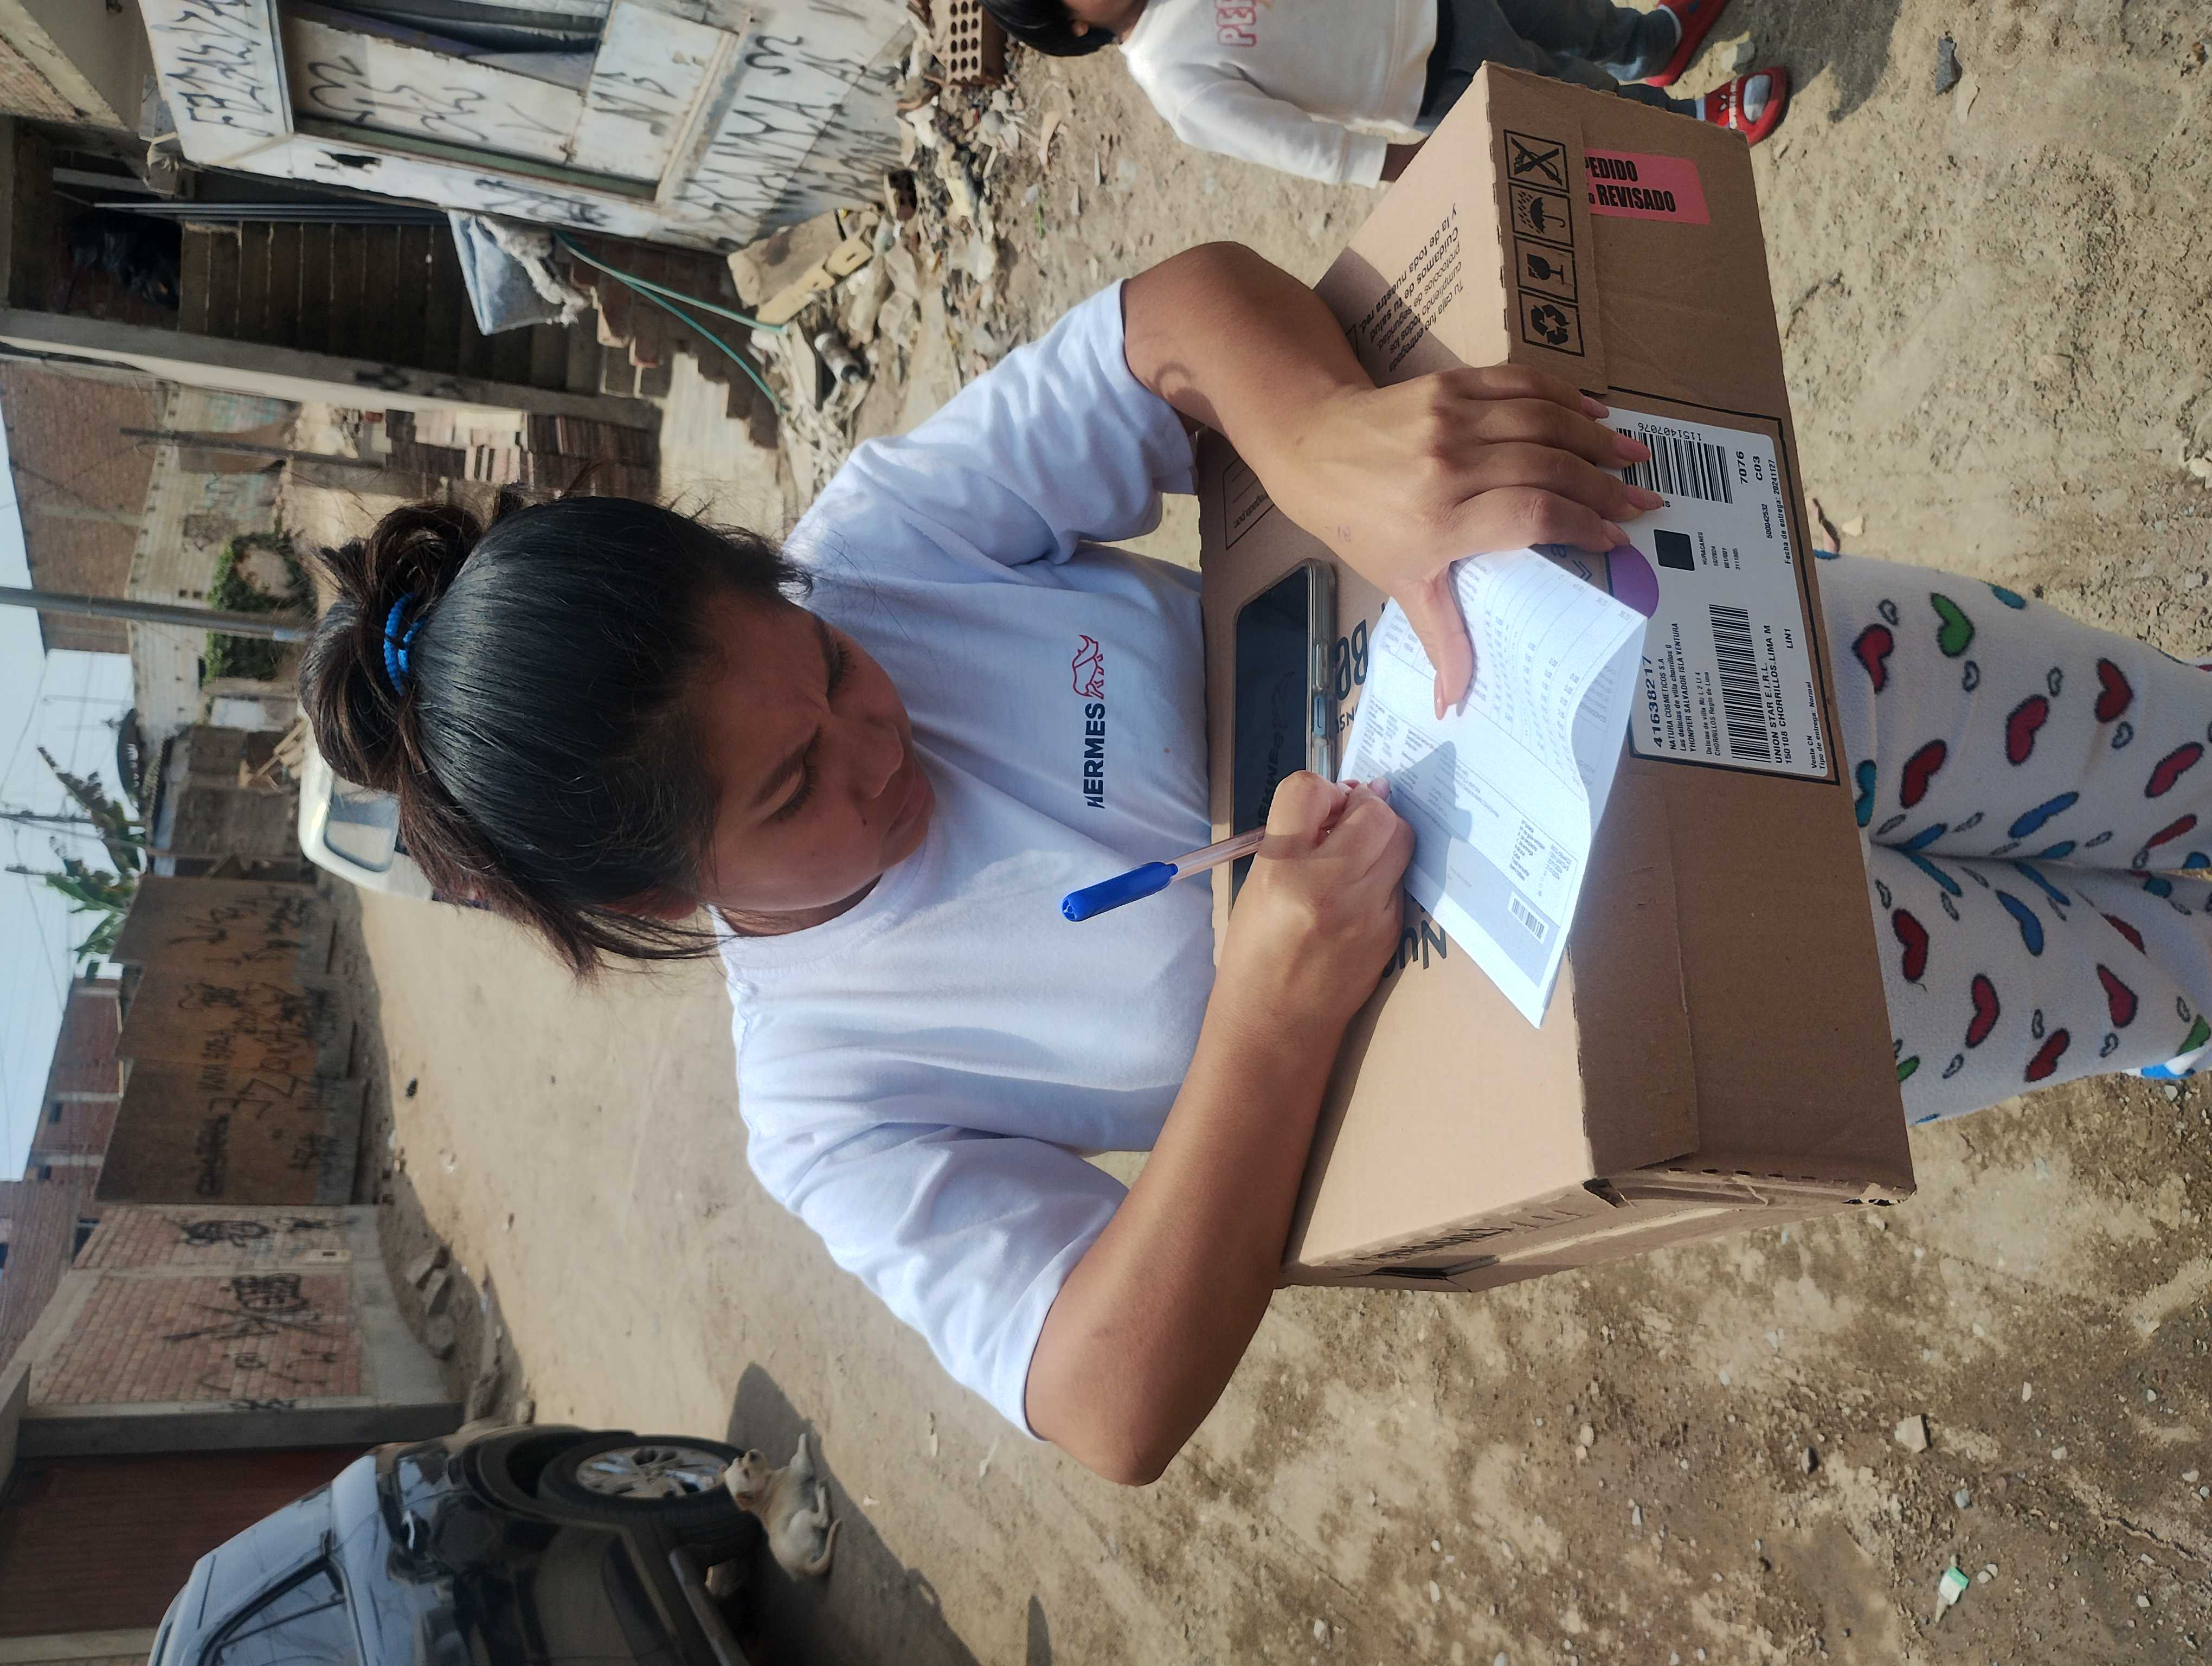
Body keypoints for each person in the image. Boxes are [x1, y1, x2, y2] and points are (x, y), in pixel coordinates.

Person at [301, 244, 2210, 1485]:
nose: (881, 741)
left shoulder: (884, 543)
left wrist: (1324, 443)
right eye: (798, 787)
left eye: (832, 666)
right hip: (1639, 998)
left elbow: (1179, 315)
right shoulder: (828, 1096)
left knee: (2146, 748)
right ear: (663, 901)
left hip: (1687, 654)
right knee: (2100, 983)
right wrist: (1274, 1015)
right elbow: (1106, 1395)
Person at [979, 0, 1785, 188]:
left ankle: (1652, 42)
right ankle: (1690, 128)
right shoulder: (1172, 76)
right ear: (1072, 25)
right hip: (1429, 74)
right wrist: (1413, 166)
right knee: (1571, 101)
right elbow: (1304, 148)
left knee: (1566, 16)